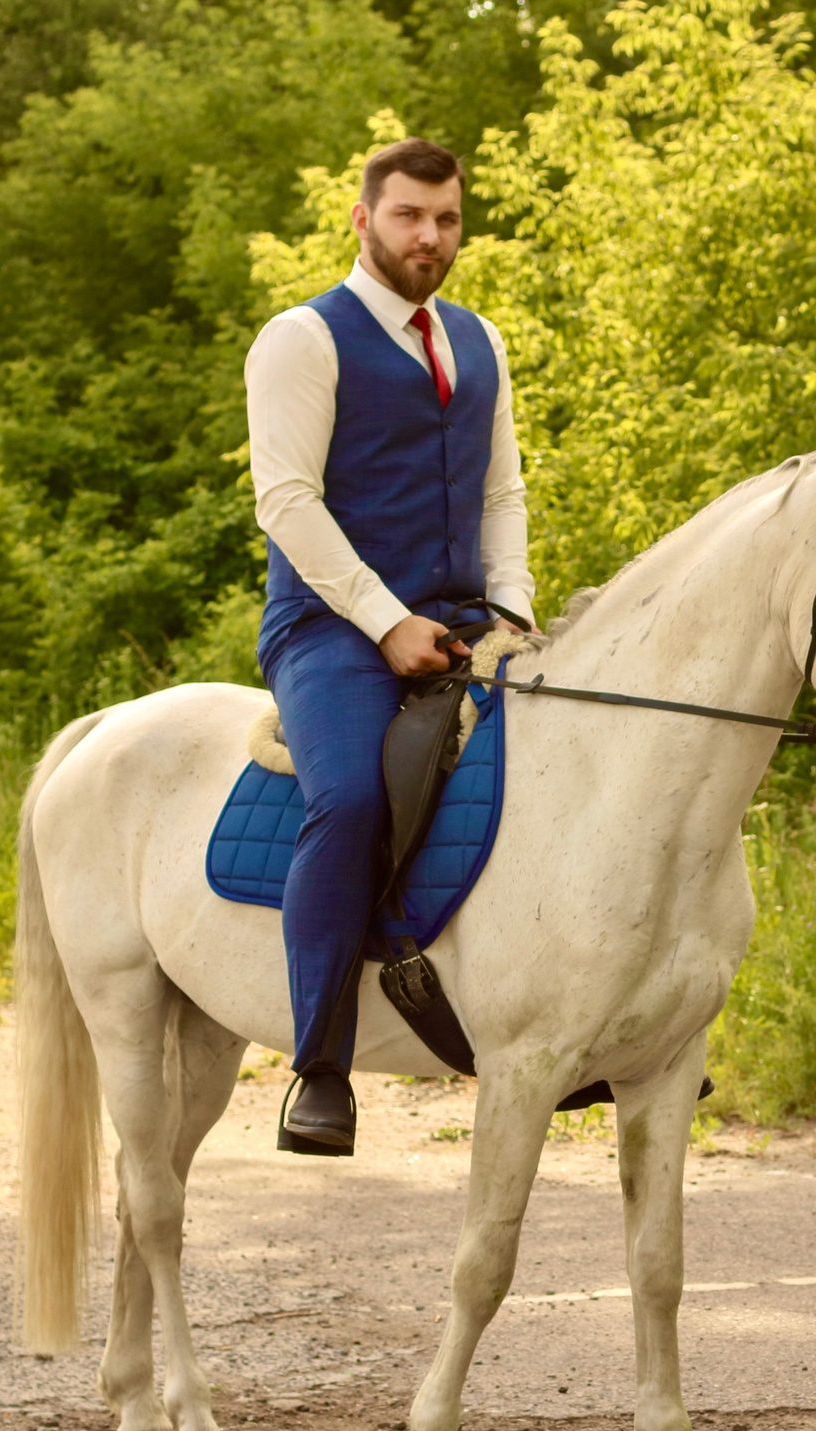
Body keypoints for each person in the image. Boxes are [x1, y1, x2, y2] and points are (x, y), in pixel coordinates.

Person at [245, 136, 534, 1156]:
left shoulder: (478, 339)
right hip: (329, 630)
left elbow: (502, 493)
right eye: (409, 216)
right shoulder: (302, 338)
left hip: (466, 619)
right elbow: (284, 500)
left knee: (573, 761)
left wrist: (514, 607)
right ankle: (320, 1068)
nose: (431, 236)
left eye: (448, 218)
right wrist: (384, 621)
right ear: (363, 220)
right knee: (354, 796)